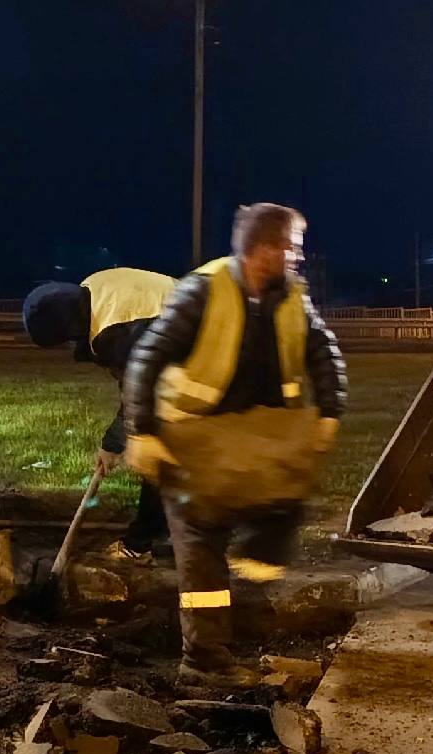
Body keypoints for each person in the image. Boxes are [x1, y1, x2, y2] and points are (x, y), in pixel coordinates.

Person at [121, 204, 346, 682]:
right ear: (265, 249)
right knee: (201, 549)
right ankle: (203, 662)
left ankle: (256, 560)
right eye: (293, 247)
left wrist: (330, 410)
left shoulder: (292, 297)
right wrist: (142, 432)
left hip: (255, 441)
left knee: (287, 497)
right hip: (193, 440)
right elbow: (146, 358)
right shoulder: (202, 291)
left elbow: (323, 350)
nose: (298, 257)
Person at [20, 266, 177, 554]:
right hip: (187, 335)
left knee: (162, 449)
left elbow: (141, 394)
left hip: (207, 345)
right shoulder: (94, 288)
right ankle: (158, 532)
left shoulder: (112, 332)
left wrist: (112, 444)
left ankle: (143, 542)